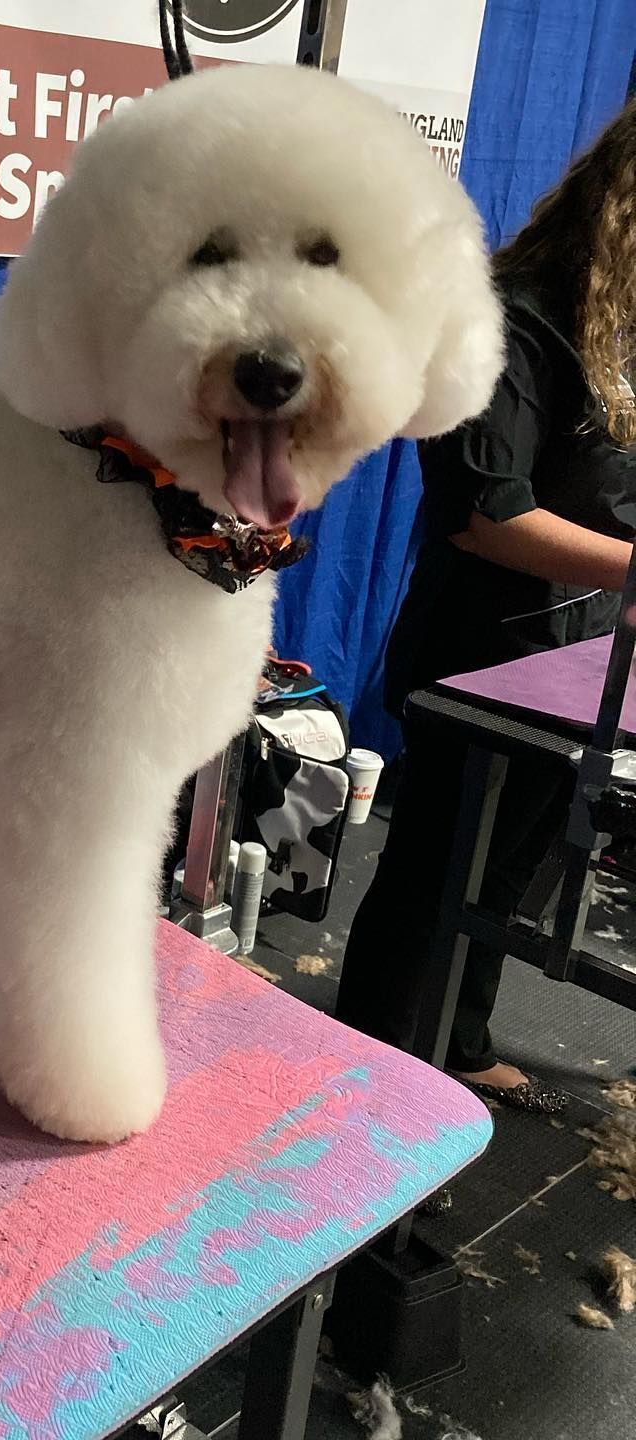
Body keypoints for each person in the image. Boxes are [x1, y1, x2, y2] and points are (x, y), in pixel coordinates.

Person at [335, 97, 636, 1113]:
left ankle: (455, 1045)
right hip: (485, 655)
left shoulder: (616, 331)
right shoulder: (510, 316)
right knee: (436, 876)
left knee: (514, 872)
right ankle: (370, 1076)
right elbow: (486, 515)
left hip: (581, 653)